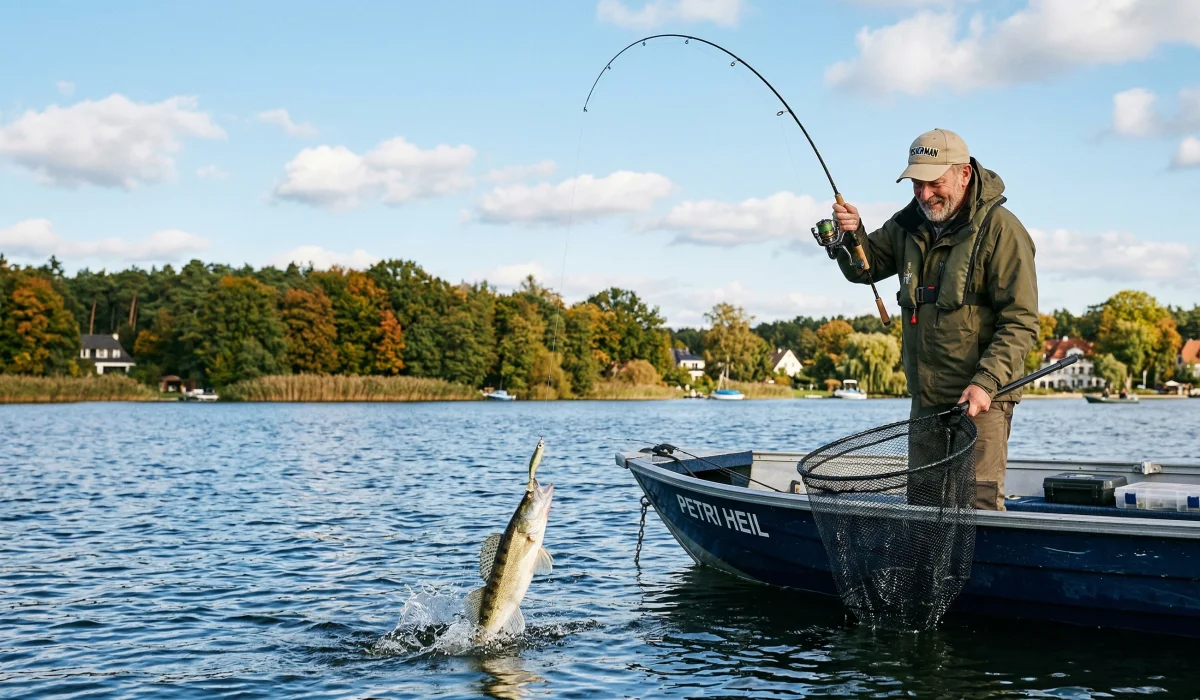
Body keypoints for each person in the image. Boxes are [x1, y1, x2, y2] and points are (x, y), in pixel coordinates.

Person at [829, 128, 1039, 511]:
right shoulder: (908, 224)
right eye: (916, 185)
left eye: (934, 183)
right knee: (924, 509)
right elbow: (865, 268)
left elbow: (1021, 322)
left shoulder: (1003, 230)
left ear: (964, 174)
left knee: (976, 508)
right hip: (927, 401)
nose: (924, 195)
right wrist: (851, 234)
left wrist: (986, 382)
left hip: (981, 401)